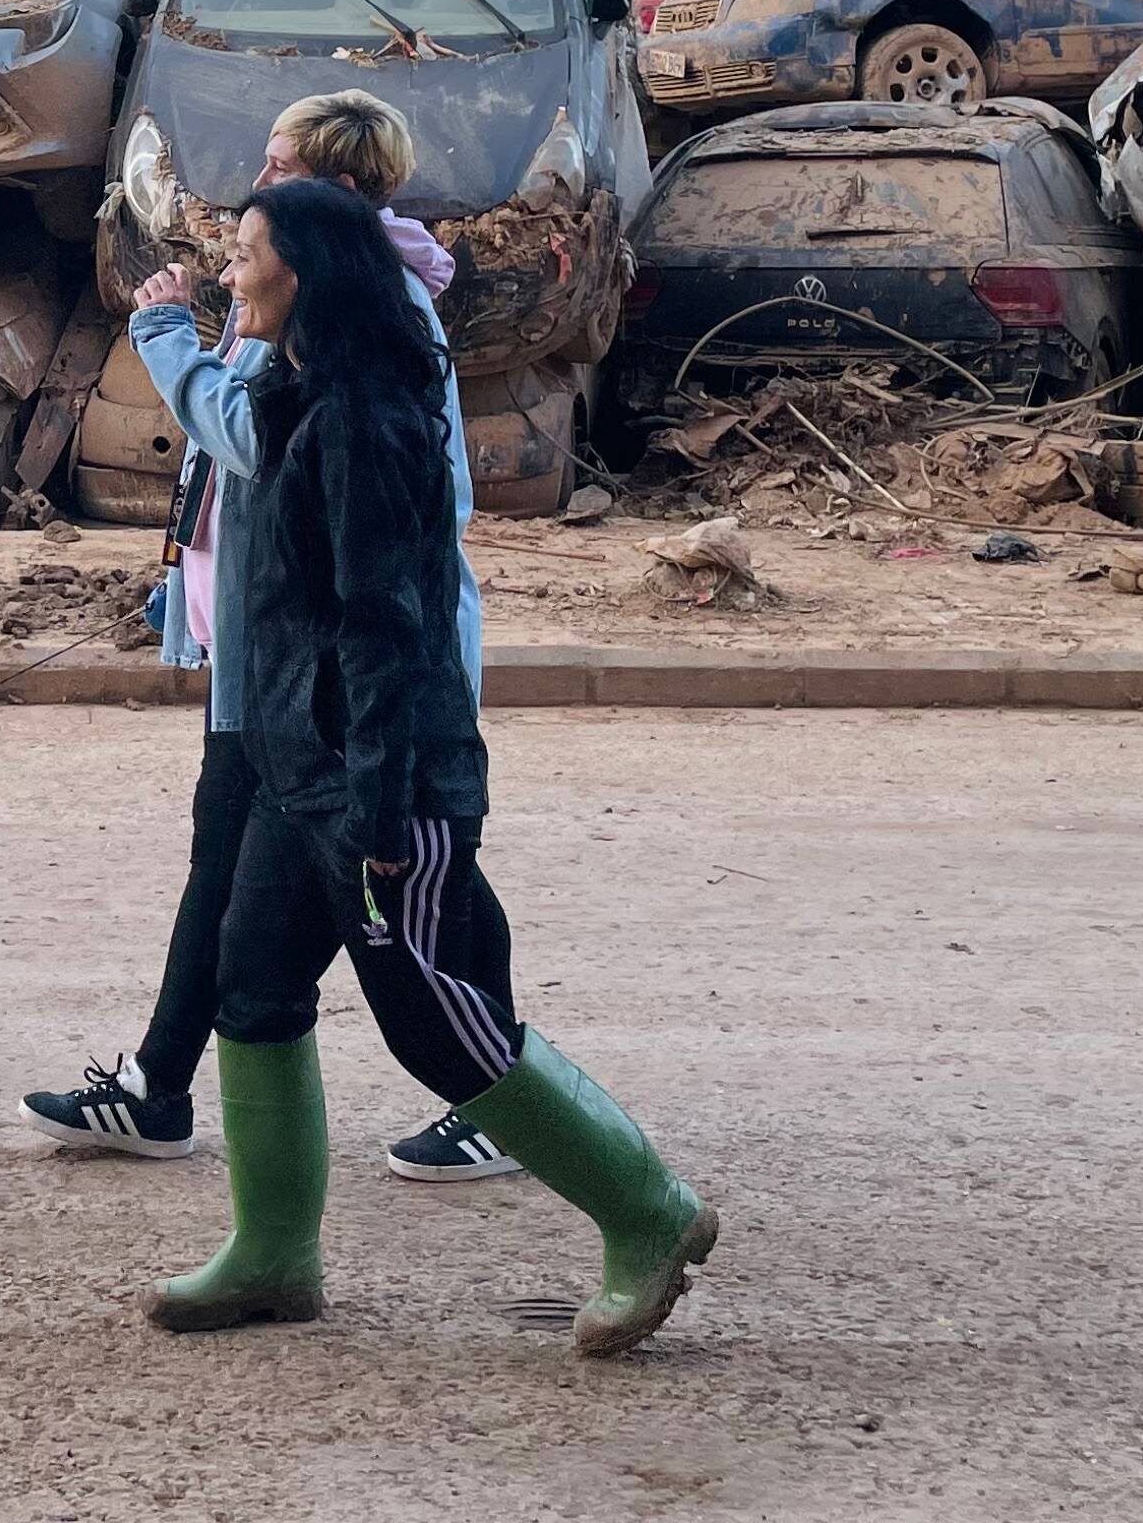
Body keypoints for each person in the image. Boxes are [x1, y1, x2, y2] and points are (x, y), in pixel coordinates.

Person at [142, 180, 717, 1356]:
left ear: (302, 271)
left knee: (437, 1026)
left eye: (244, 256)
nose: (228, 274)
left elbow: (389, 626)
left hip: (380, 779)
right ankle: (273, 1257)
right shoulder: (298, 390)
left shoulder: (369, 416)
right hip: (299, 763)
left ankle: (649, 1216)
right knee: (251, 989)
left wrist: (386, 806)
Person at [19, 92, 510, 1180]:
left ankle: (512, 1102)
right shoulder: (293, 307)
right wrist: (190, 593)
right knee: (237, 897)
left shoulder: (375, 323)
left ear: (332, 193)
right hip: (273, 666)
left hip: (341, 686)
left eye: (280, 169)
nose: (257, 189)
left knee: (429, 901)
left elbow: (268, 459)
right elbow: (243, 476)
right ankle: (169, 1095)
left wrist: (162, 340)